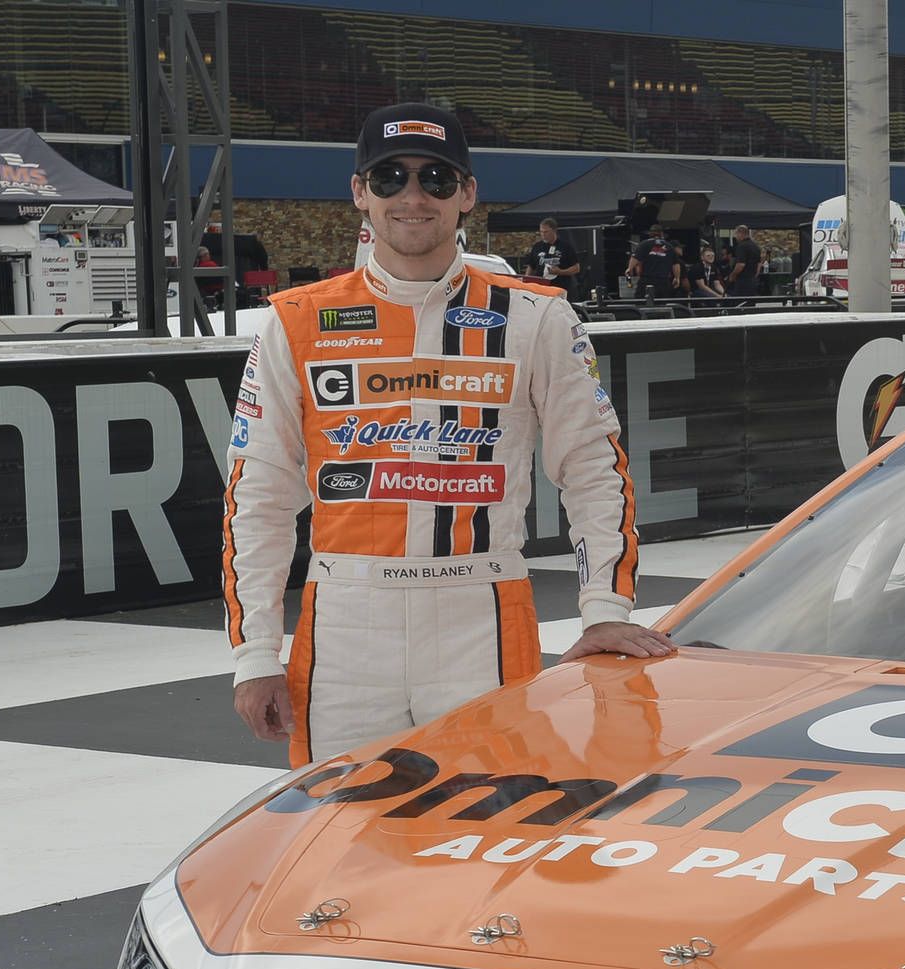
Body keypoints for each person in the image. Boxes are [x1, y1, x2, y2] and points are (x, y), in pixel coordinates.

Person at [222, 102, 670, 766]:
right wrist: (255, 650)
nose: (412, 196)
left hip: (483, 607)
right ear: (359, 194)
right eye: (389, 178)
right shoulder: (296, 321)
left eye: (435, 178)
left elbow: (593, 468)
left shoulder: (536, 316)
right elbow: (256, 496)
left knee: (493, 838)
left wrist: (605, 607)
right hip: (346, 618)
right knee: (345, 839)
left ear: (466, 194)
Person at [522, 217, 582, 298]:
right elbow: (531, 266)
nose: (543, 235)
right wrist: (526, 283)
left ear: (554, 231)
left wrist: (560, 272)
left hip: (561, 288)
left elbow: (576, 268)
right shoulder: (537, 246)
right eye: (541, 232)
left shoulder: (565, 246)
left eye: (546, 232)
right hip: (542, 289)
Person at [723, 224, 763, 298]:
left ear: (740, 233)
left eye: (736, 234)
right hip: (753, 280)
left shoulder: (742, 246)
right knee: (750, 303)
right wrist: (755, 275)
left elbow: (741, 264)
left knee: (740, 303)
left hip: (743, 281)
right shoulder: (755, 246)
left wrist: (732, 275)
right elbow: (759, 264)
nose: (736, 237)